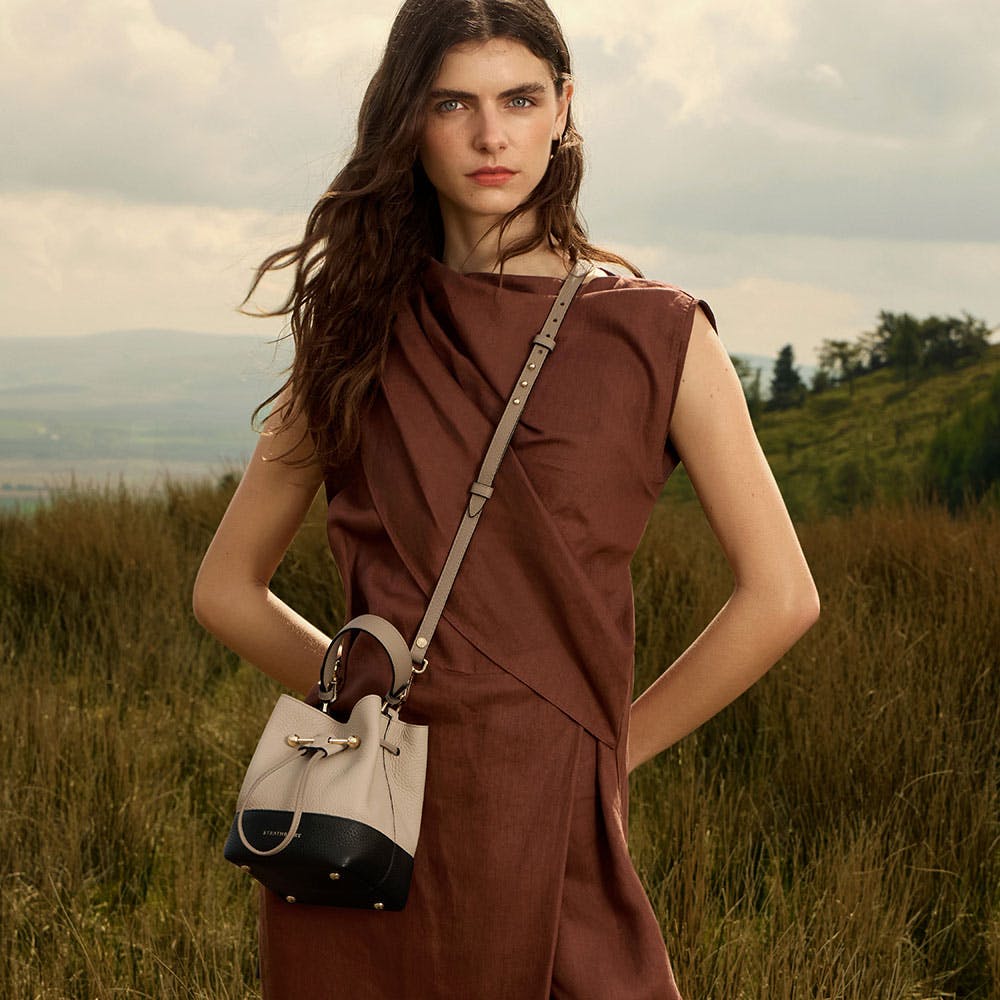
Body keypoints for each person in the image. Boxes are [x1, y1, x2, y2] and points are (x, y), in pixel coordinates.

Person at [192, 1, 820, 997]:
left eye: (520, 98)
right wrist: (370, 708)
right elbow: (225, 587)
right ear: (410, 120)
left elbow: (782, 595)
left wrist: (609, 755)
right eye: (454, 104)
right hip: (370, 831)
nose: (492, 135)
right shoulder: (355, 329)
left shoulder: (657, 334)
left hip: (553, 814)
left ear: (563, 108)